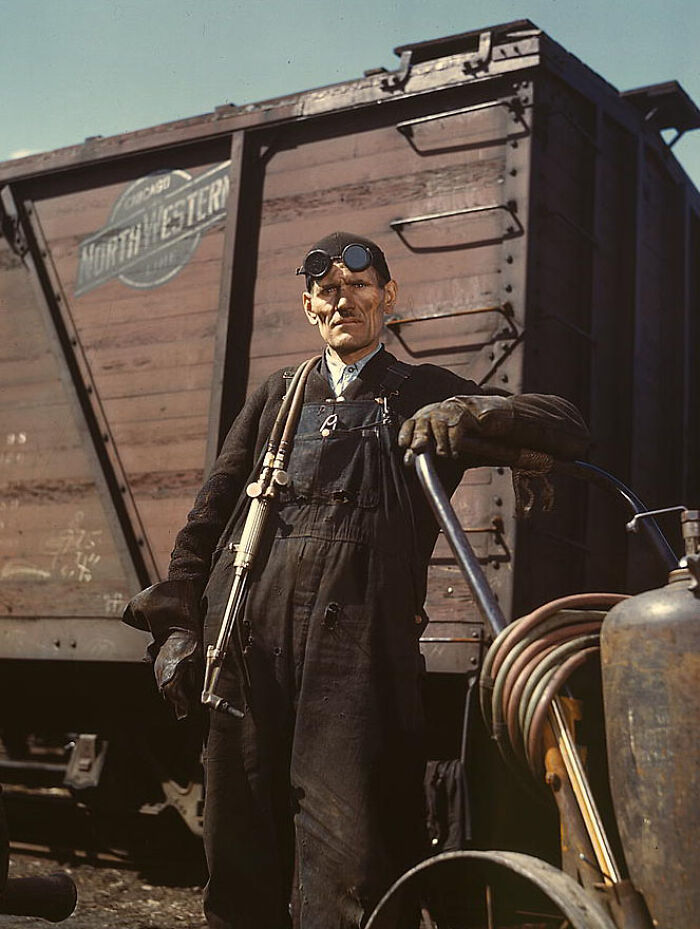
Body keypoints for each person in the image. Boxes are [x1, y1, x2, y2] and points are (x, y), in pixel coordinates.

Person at [124, 232, 588, 929]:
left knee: (349, 864)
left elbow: (566, 424)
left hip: (359, 663)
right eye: (328, 292)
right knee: (238, 850)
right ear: (309, 307)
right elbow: (207, 519)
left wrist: (475, 412)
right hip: (248, 651)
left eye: (359, 288)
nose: (344, 302)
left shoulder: (423, 391)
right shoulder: (279, 396)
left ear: (387, 297)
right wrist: (178, 626)